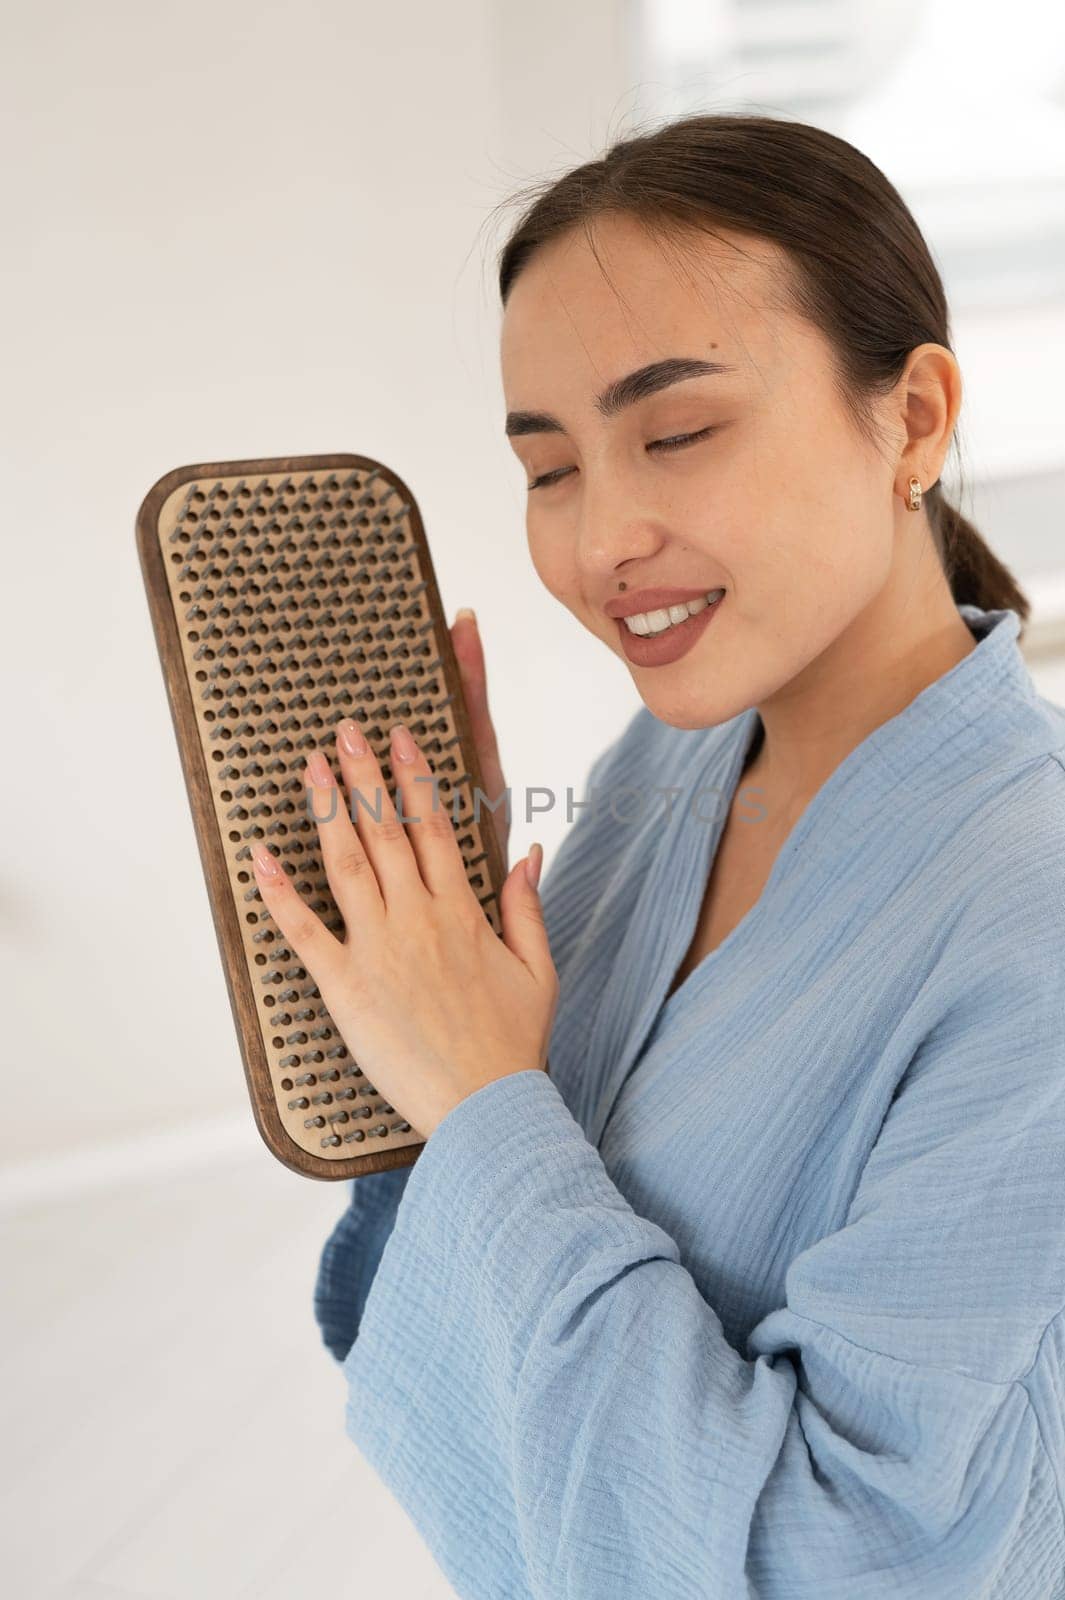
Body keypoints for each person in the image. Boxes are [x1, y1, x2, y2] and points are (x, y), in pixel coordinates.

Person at [312, 113, 1065, 1596]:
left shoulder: (1028, 914)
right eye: (547, 468)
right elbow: (408, 1290)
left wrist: (483, 1099)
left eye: (674, 434)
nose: (601, 540)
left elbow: (843, 1560)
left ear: (910, 420)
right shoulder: (672, 763)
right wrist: (449, 936)